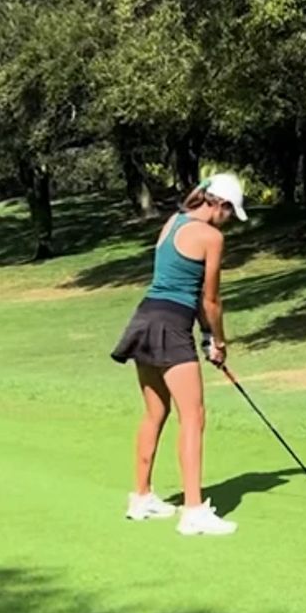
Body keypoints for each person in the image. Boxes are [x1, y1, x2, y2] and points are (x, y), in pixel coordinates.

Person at [111, 173, 248, 535]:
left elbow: (185, 288)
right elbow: (210, 300)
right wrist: (219, 340)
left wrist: (205, 336)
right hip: (171, 326)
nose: (230, 220)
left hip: (144, 319)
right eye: (231, 212)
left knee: (155, 411)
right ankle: (192, 511)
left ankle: (141, 498)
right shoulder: (211, 237)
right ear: (218, 204)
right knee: (194, 416)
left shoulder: (173, 222)